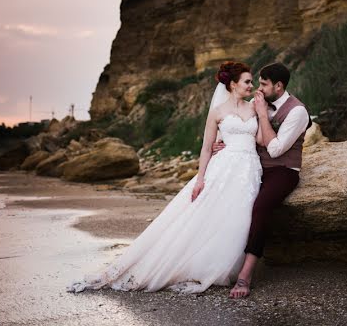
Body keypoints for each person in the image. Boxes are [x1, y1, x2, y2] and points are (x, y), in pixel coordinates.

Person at [67, 60, 263, 294]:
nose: (251, 86)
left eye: (251, 82)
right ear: (232, 84)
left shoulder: (254, 108)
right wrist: (200, 179)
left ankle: (233, 267)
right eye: (247, 82)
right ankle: (204, 265)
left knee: (240, 218)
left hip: (249, 168)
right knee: (210, 215)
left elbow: (261, 137)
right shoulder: (218, 112)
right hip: (224, 167)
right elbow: (206, 148)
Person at [213, 62, 310, 299]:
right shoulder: (259, 102)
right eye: (258, 82)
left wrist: (263, 115)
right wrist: (223, 142)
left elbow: (276, 150)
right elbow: (239, 128)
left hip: (283, 170)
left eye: (264, 84)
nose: (259, 87)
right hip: (255, 167)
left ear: (278, 86)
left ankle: (245, 275)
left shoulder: (297, 111)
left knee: (260, 207)